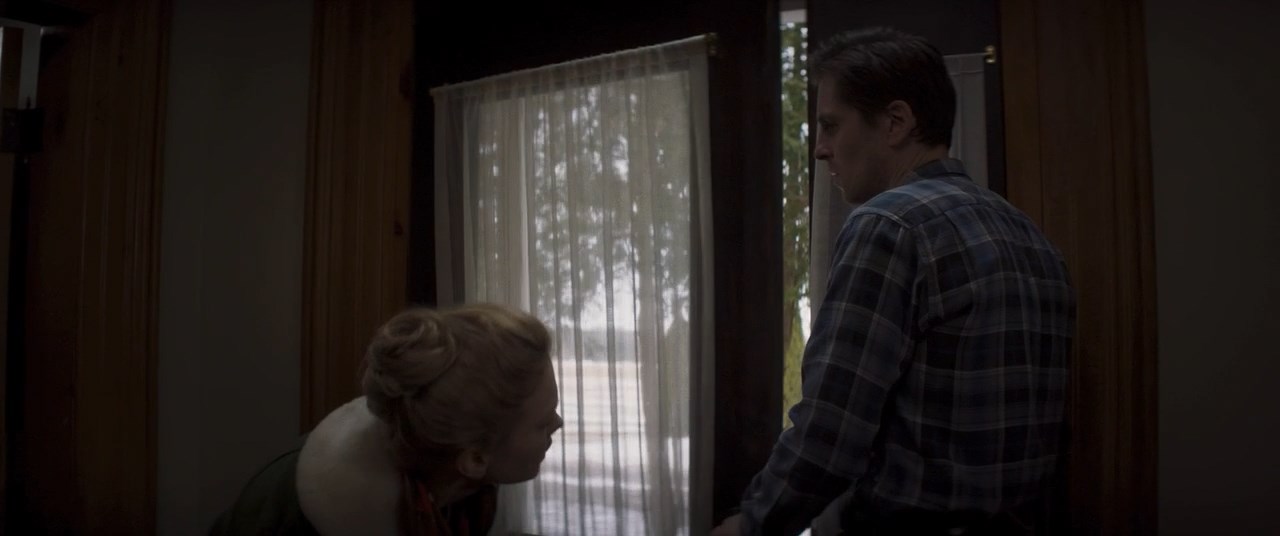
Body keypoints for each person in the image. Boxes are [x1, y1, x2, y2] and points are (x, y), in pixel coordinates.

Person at [713, 27, 1076, 535]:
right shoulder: (1034, 240)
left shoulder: (889, 226)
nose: (820, 149)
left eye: (830, 126)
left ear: (895, 122)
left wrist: (751, 524)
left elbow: (830, 433)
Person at [211, 303, 563, 536]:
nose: (558, 424)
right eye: (542, 422)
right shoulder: (286, 519)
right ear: (473, 458)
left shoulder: (463, 487)